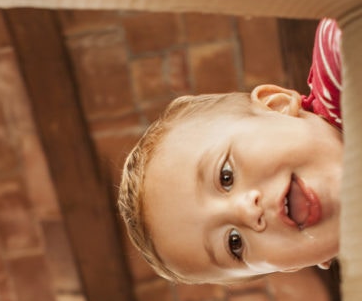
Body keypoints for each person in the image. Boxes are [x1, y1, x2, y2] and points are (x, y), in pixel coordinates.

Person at [120, 19, 344, 284]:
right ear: (295, 265)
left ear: (277, 106)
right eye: (234, 243)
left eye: (226, 177)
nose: (246, 211)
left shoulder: (345, 61)